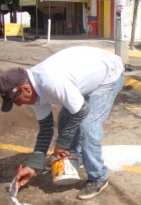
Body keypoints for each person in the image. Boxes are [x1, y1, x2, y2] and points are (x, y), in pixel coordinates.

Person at [0, 46, 124, 200]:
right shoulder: (33, 91)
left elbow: (81, 111)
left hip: (109, 75)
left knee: (87, 126)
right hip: (84, 77)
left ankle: (98, 177)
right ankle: (73, 157)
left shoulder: (51, 81)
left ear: (25, 88)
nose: (18, 105)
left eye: (17, 100)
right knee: (64, 119)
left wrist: (62, 143)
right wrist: (32, 166)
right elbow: (46, 129)